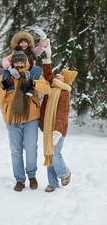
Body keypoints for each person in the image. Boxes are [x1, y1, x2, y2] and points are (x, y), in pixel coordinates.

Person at [0, 48, 50, 192]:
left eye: (21, 62)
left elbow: (46, 89)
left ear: (25, 62)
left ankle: (32, 176)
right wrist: (2, 86)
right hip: (13, 119)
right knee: (16, 151)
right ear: (12, 63)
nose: (19, 65)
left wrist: (34, 84)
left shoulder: (33, 74)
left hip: (31, 118)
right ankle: (19, 179)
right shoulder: (6, 77)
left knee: (31, 149)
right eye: (16, 62)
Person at [39, 41, 78, 192]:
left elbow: (63, 113)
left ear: (66, 79)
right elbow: (48, 74)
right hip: (49, 128)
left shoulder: (64, 93)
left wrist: (57, 131)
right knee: (49, 154)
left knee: (55, 155)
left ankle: (65, 173)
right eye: (60, 72)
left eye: (62, 74)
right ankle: (52, 183)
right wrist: (48, 56)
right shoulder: (52, 86)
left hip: (58, 130)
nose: (58, 74)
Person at [2, 27, 48, 96]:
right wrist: (9, 68)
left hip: (30, 72)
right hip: (18, 71)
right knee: (6, 71)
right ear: (18, 44)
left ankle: (30, 87)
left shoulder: (33, 52)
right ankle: (9, 85)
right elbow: (4, 60)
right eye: (22, 43)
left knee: (37, 68)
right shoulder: (15, 53)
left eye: (25, 42)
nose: (24, 44)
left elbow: (41, 47)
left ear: (28, 43)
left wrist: (43, 37)